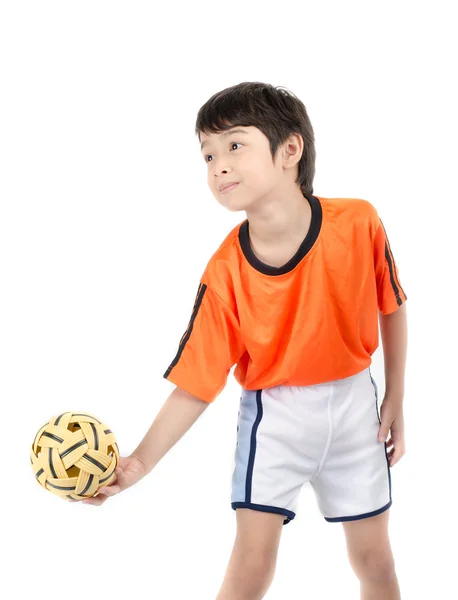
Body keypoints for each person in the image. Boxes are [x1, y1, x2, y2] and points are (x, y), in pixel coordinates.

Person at [82, 82, 408, 600]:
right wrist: (138, 463)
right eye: (207, 154)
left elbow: (390, 304)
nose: (218, 166)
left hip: (355, 411)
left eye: (235, 145)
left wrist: (395, 396)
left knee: (376, 563)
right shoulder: (225, 270)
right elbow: (196, 384)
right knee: (251, 568)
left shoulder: (359, 221)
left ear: (290, 150)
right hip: (275, 419)